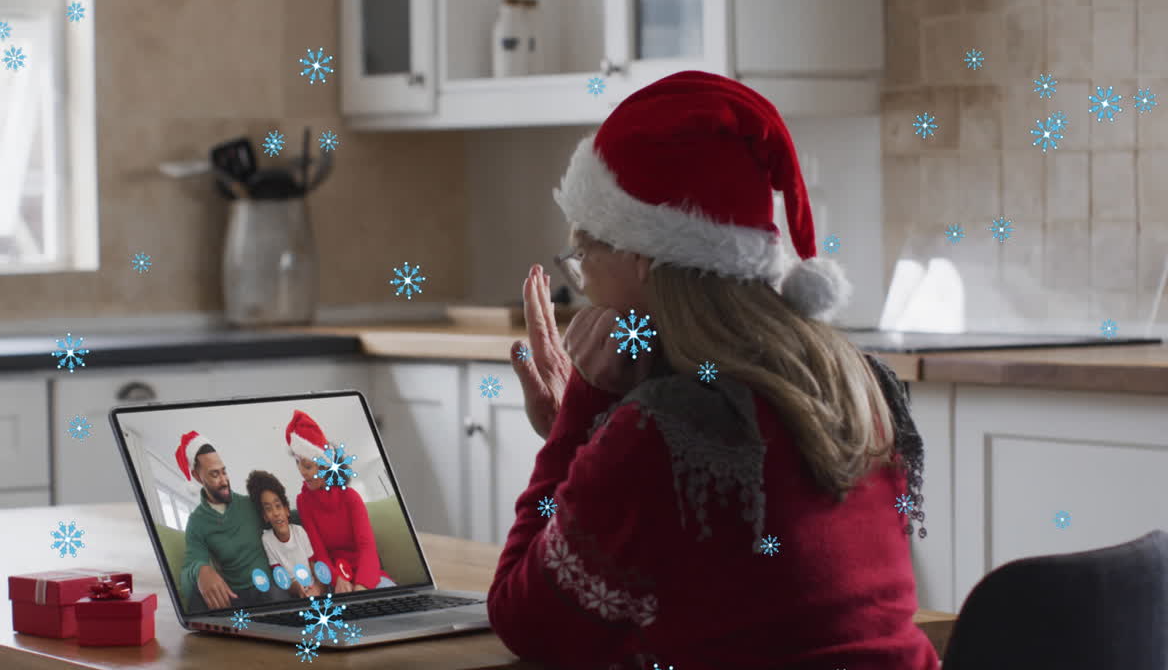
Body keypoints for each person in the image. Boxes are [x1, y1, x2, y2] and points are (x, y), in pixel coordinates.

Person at [489, 71, 940, 670]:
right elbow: (731, 595)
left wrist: (579, 422)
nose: (584, 289)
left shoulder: (663, 431)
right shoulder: (859, 383)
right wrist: (593, 446)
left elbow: (526, 620)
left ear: (641, 257)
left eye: (584, 258)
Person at [174, 431, 291, 612]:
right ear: (197, 476)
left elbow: (284, 516)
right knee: (198, 601)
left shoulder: (249, 504)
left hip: (268, 588)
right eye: (214, 474)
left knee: (276, 597)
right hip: (235, 596)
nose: (224, 480)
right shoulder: (196, 522)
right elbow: (191, 564)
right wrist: (201, 571)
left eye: (224, 472)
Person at [285, 409, 396, 593]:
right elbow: (318, 551)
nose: (302, 472)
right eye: (297, 463)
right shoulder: (303, 501)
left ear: (325, 466)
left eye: (307, 466)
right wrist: (337, 578)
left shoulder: (350, 497)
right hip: (335, 576)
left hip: (365, 573)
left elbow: (367, 548)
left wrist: (361, 585)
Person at [245, 469, 327, 598]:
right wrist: (297, 588)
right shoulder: (267, 540)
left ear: (287, 510)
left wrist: (317, 589)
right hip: (293, 592)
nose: (276, 513)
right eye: (268, 509)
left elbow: (314, 566)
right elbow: (280, 577)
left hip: (313, 588)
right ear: (265, 517)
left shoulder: (299, 532)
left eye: (278, 506)